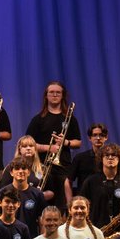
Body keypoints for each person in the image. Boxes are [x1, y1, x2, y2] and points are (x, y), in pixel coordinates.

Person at [25, 81, 81, 210]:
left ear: (62, 96)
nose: (54, 95)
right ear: (46, 95)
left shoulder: (70, 118)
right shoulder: (38, 119)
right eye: (51, 92)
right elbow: (28, 143)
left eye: (58, 92)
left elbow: (78, 142)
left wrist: (65, 142)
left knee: (62, 204)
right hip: (41, 167)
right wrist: (49, 148)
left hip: (63, 166)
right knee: (42, 203)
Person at [81, 143, 120, 227]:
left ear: (119, 159)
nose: (110, 157)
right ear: (101, 159)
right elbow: (82, 204)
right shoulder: (91, 181)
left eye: (114, 155)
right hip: (96, 228)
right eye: (107, 155)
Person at [0, 157, 48, 234]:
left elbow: (42, 220)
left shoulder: (37, 194)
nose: (20, 171)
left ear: (29, 172)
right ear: (11, 172)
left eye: (24, 168)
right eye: (17, 168)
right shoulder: (2, 193)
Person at [0, 136, 53, 202]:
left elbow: (51, 191)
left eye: (31, 146)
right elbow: (3, 190)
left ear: (35, 149)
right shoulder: (11, 167)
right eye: (24, 146)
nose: (28, 148)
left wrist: (39, 195)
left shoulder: (43, 169)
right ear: (19, 150)